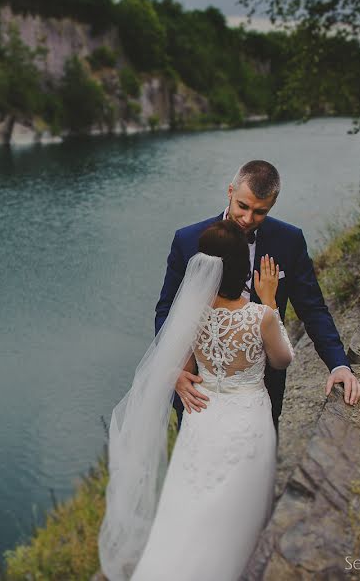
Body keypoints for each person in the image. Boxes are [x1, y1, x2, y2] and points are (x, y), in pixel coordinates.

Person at [99, 220, 294, 580]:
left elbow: (185, 367)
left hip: (201, 415)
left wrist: (177, 375)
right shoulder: (260, 316)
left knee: (189, 501)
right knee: (238, 506)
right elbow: (283, 359)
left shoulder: (192, 314)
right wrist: (269, 300)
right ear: (241, 269)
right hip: (245, 420)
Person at [156, 160, 360, 432]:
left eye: (260, 212)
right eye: (243, 206)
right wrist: (174, 371)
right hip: (196, 386)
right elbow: (167, 311)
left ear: (272, 206)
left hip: (260, 389)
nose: (247, 219)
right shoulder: (187, 240)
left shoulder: (288, 241)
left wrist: (339, 364)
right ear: (230, 192)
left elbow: (312, 309)